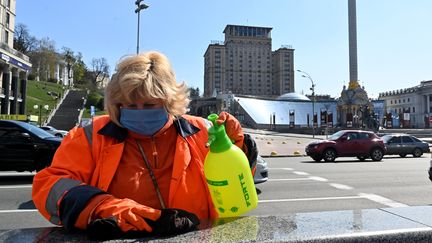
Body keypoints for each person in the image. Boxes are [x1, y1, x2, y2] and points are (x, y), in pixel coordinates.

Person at [32, 51, 257, 239]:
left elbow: (234, 188)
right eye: (130, 104)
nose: (140, 111)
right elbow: (49, 186)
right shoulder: (90, 135)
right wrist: (103, 208)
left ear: (170, 101)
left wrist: (238, 147)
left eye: (149, 104)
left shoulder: (201, 131)